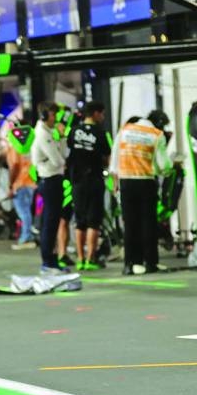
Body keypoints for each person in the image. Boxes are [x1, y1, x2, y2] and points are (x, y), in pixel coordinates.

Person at [110, 109, 175, 275]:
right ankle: (150, 262)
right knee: (148, 224)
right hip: (146, 182)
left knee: (130, 224)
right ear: (159, 123)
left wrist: (115, 182)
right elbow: (163, 165)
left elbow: (115, 157)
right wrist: (171, 167)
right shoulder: (156, 134)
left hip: (126, 181)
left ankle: (131, 264)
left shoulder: (125, 130)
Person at [67, 102, 110, 270]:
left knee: (80, 221)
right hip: (94, 179)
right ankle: (91, 258)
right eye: (102, 113)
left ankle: (80, 258)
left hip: (77, 180)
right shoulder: (100, 133)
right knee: (94, 221)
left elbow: (68, 151)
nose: (103, 117)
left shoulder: (73, 131)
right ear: (95, 114)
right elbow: (107, 156)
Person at [31, 102, 68, 273]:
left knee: (52, 222)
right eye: (53, 115)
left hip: (54, 178)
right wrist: (60, 157)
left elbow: (63, 156)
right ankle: (48, 261)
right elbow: (58, 160)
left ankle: (51, 259)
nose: (56, 119)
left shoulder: (49, 133)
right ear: (45, 116)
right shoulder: (42, 134)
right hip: (50, 180)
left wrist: (61, 137)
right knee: (50, 222)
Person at [6, 127, 36, 251]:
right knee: (27, 211)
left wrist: (10, 185)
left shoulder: (15, 148)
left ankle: (26, 238)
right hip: (31, 182)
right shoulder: (30, 146)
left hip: (20, 183)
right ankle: (28, 235)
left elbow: (14, 166)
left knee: (23, 212)